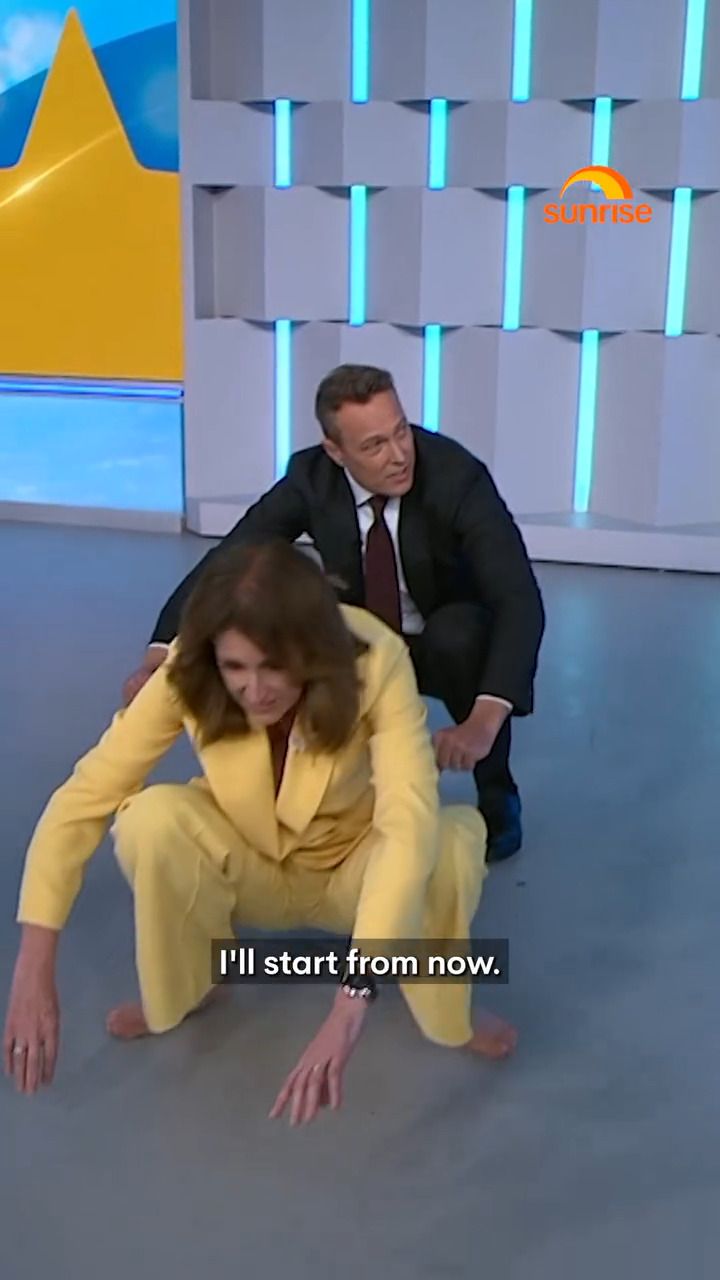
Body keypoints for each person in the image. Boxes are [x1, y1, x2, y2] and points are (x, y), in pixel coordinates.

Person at [4, 541, 516, 1122]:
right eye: (236, 668)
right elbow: (84, 798)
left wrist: (349, 1006)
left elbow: (406, 823)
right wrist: (33, 968)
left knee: (450, 842)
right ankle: (191, 984)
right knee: (150, 820)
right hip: (252, 865)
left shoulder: (376, 657)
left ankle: (449, 1013)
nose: (255, 689)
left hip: (354, 868)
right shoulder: (188, 668)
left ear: (313, 649)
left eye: (275, 665)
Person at [123, 364, 545, 862]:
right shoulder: (310, 479)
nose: (399, 455)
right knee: (287, 629)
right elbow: (231, 560)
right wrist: (160, 651)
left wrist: (484, 720)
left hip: (440, 635)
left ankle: (497, 793)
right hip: (360, 639)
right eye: (374, 446)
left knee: (460, 634)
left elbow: (518, 597)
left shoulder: (457, 476)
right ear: (336, 451)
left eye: (401, 432)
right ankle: (307, 800)